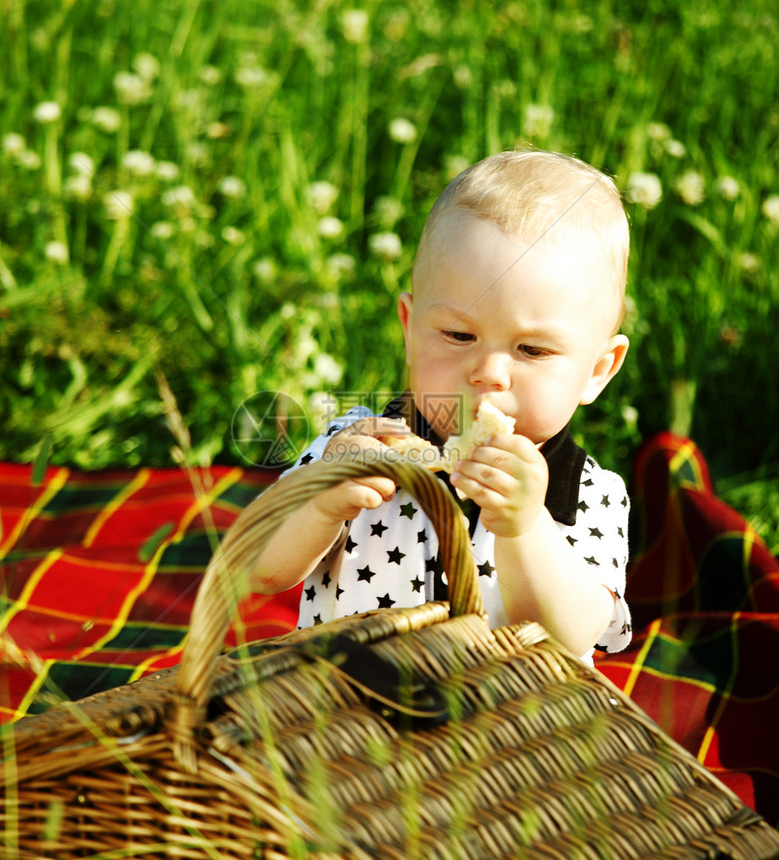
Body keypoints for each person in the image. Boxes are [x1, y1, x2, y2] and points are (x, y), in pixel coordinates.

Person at [252, 149, 633, 664]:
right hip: (348, 709)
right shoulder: (361, 443)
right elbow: (260, 568)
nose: (489, 373)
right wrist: (321, 501)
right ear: (411, 331)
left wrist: (525, 527)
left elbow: (577, 634)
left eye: (533, 350)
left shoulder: (588, 493)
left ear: (597, 371)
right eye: (458, 334)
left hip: (513, 726)